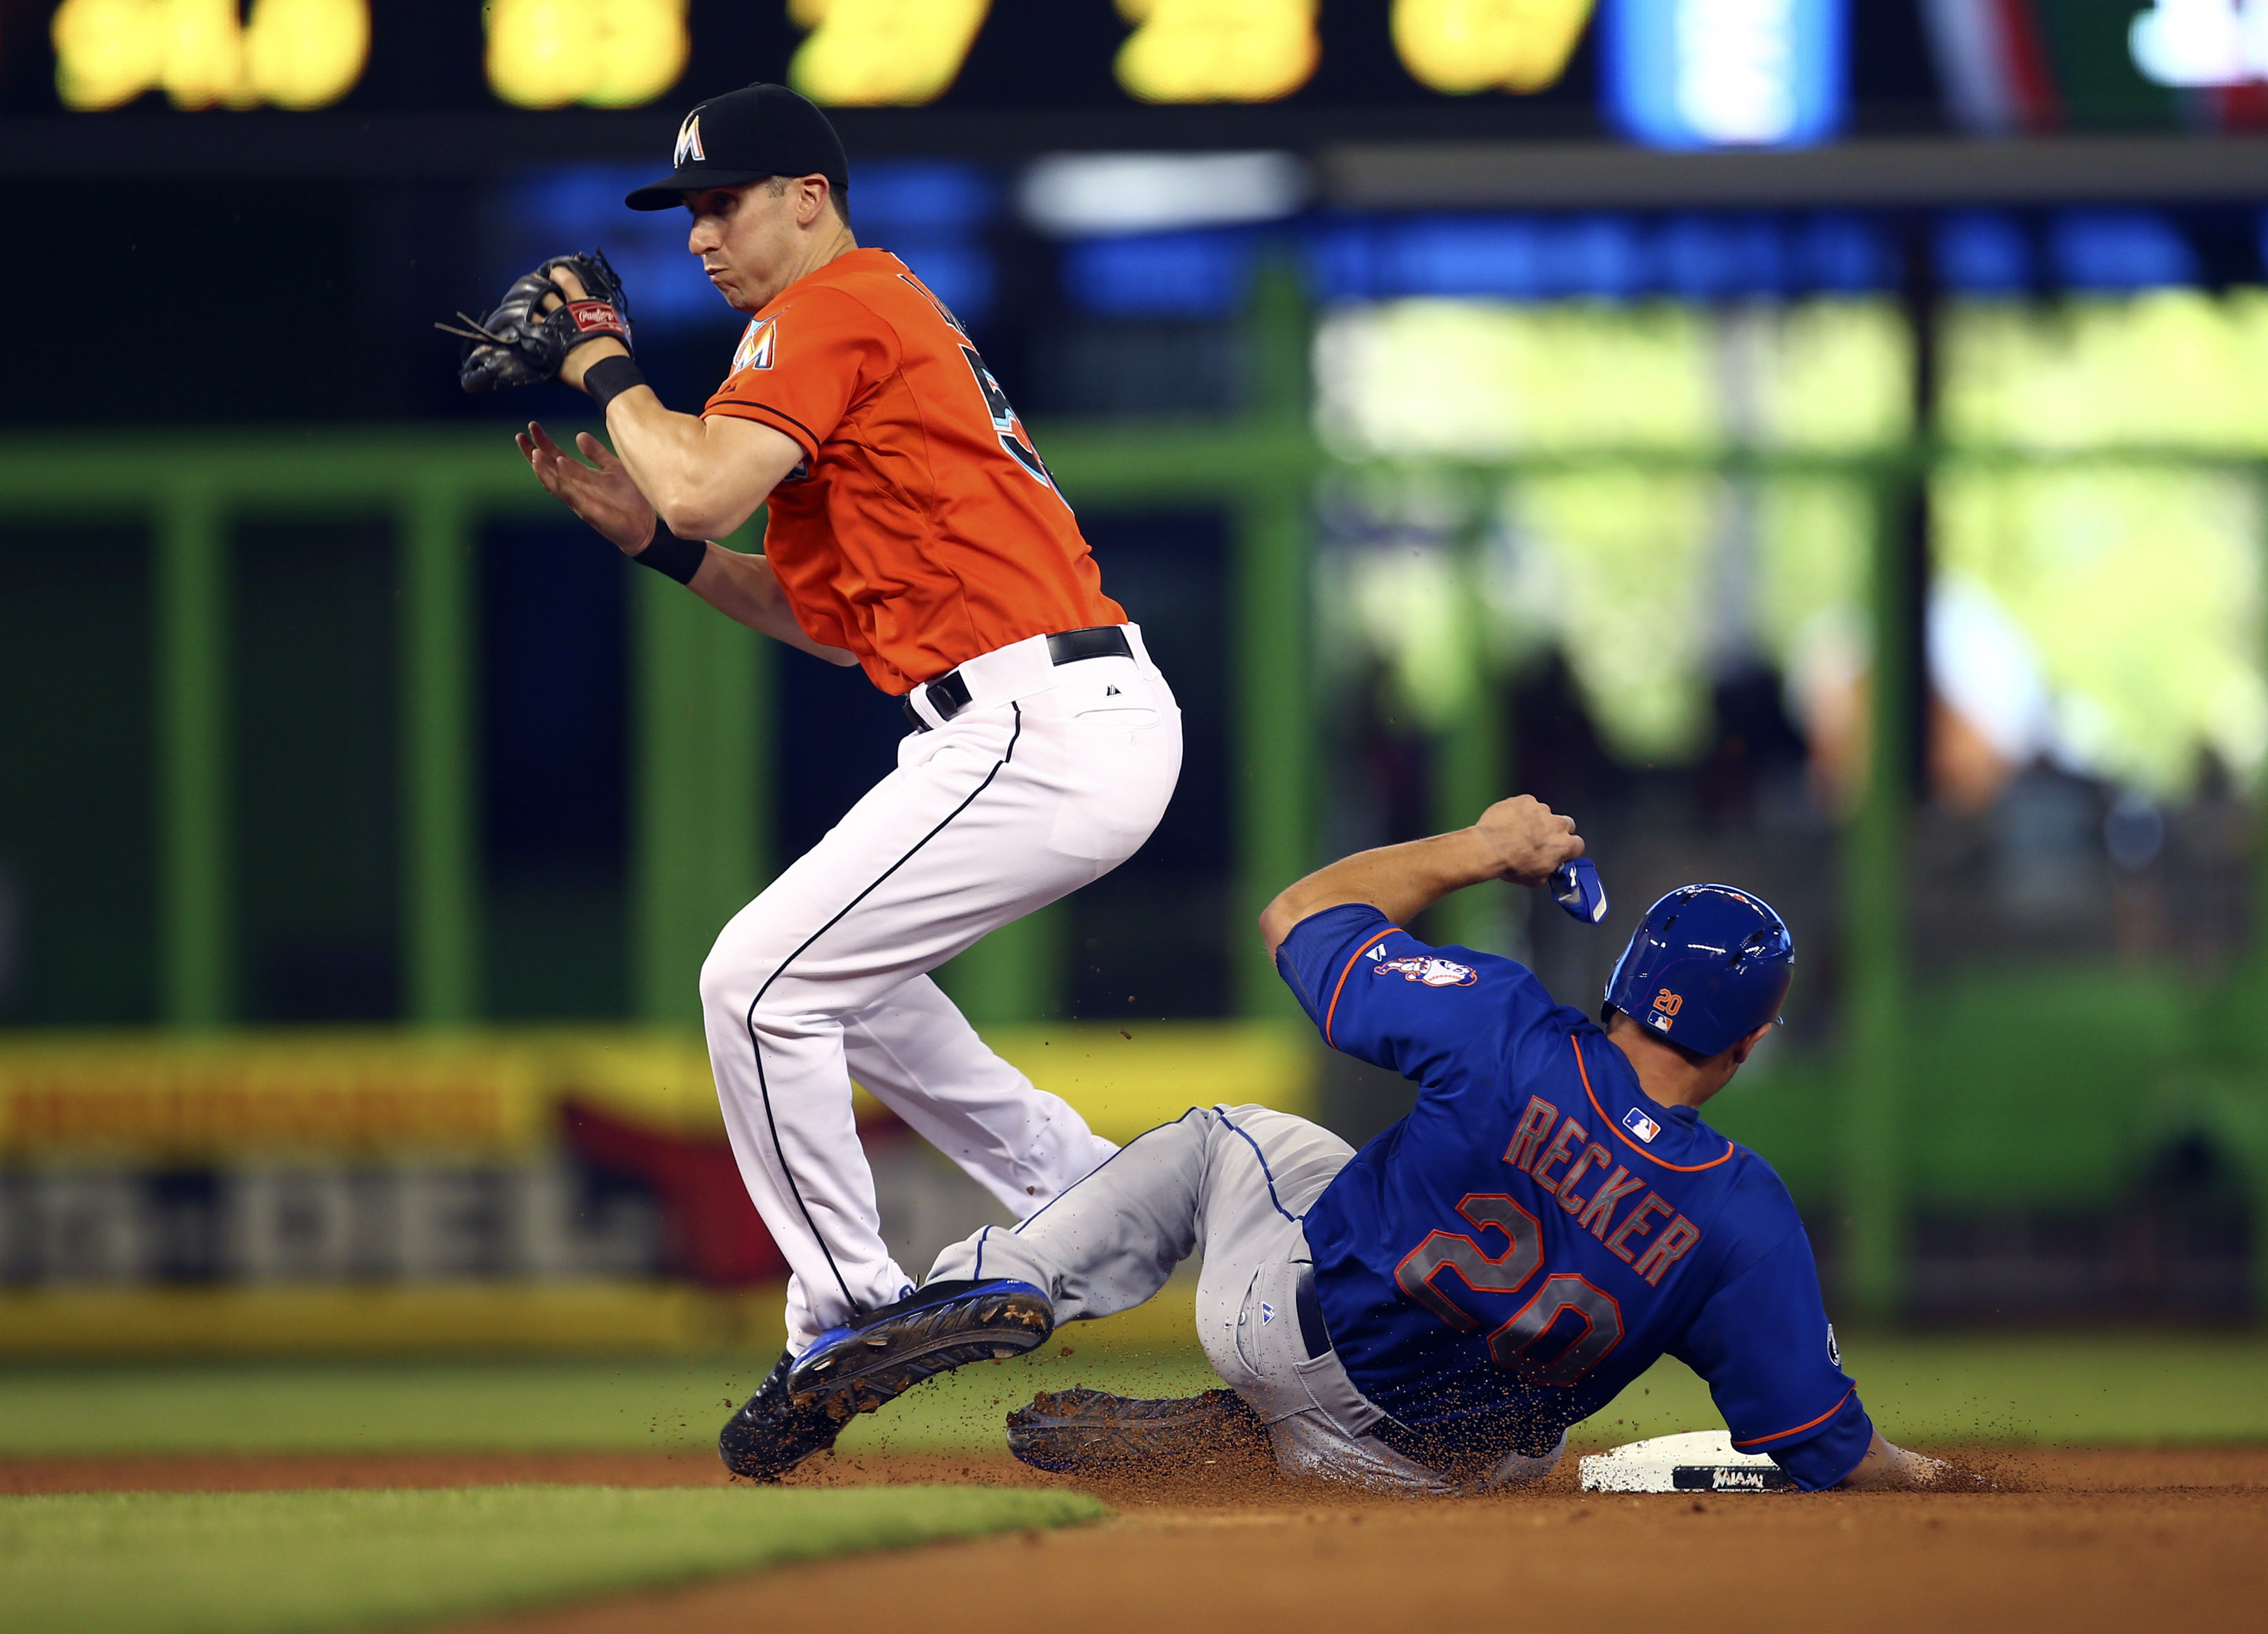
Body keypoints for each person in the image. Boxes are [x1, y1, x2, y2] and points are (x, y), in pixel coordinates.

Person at [499, 82, 1180, 1475]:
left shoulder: (832, 307)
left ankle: (840, 1310)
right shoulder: (846, 331)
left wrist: (602, 363)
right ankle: (1101, 1195)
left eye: (726, 200)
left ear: (810, 195)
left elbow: (696, 477)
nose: (700, 232)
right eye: (687, 208)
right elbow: (827, 619)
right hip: (1037, 710)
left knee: (754, 985)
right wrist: (662, 550)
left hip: (1037, 719)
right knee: (842, 990)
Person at [765, 795, 1945, 1493]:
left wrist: (1486, 846)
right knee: (1539, 1445)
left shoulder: (1506, 1029)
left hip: (1290, 1327)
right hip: (1434, 1477)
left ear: (1628, 978)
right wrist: (1935, 1478)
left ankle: (1005, 1281)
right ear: (1754, 1042)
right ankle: (1256, 1440)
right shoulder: (1741, 1213)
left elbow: (1300, 915)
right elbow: (1828, 1449)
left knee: (1236, 1137)